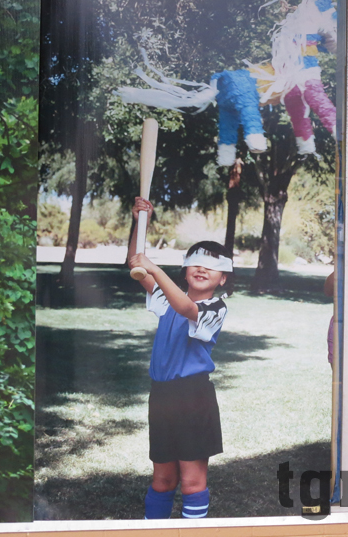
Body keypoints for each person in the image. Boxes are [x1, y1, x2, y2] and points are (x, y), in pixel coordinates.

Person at [128, 197, 234, 520]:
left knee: (191, 481)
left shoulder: (215, 308)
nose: (202, 268)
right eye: (195, 262)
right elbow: (136, 265)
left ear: (223, 278)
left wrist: (154, 268)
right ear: (186, 270)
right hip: (161, 396)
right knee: (163, 480)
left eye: (212, 266)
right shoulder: (166, 299)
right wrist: (139, 223)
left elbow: (187, 308)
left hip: (193, 398)